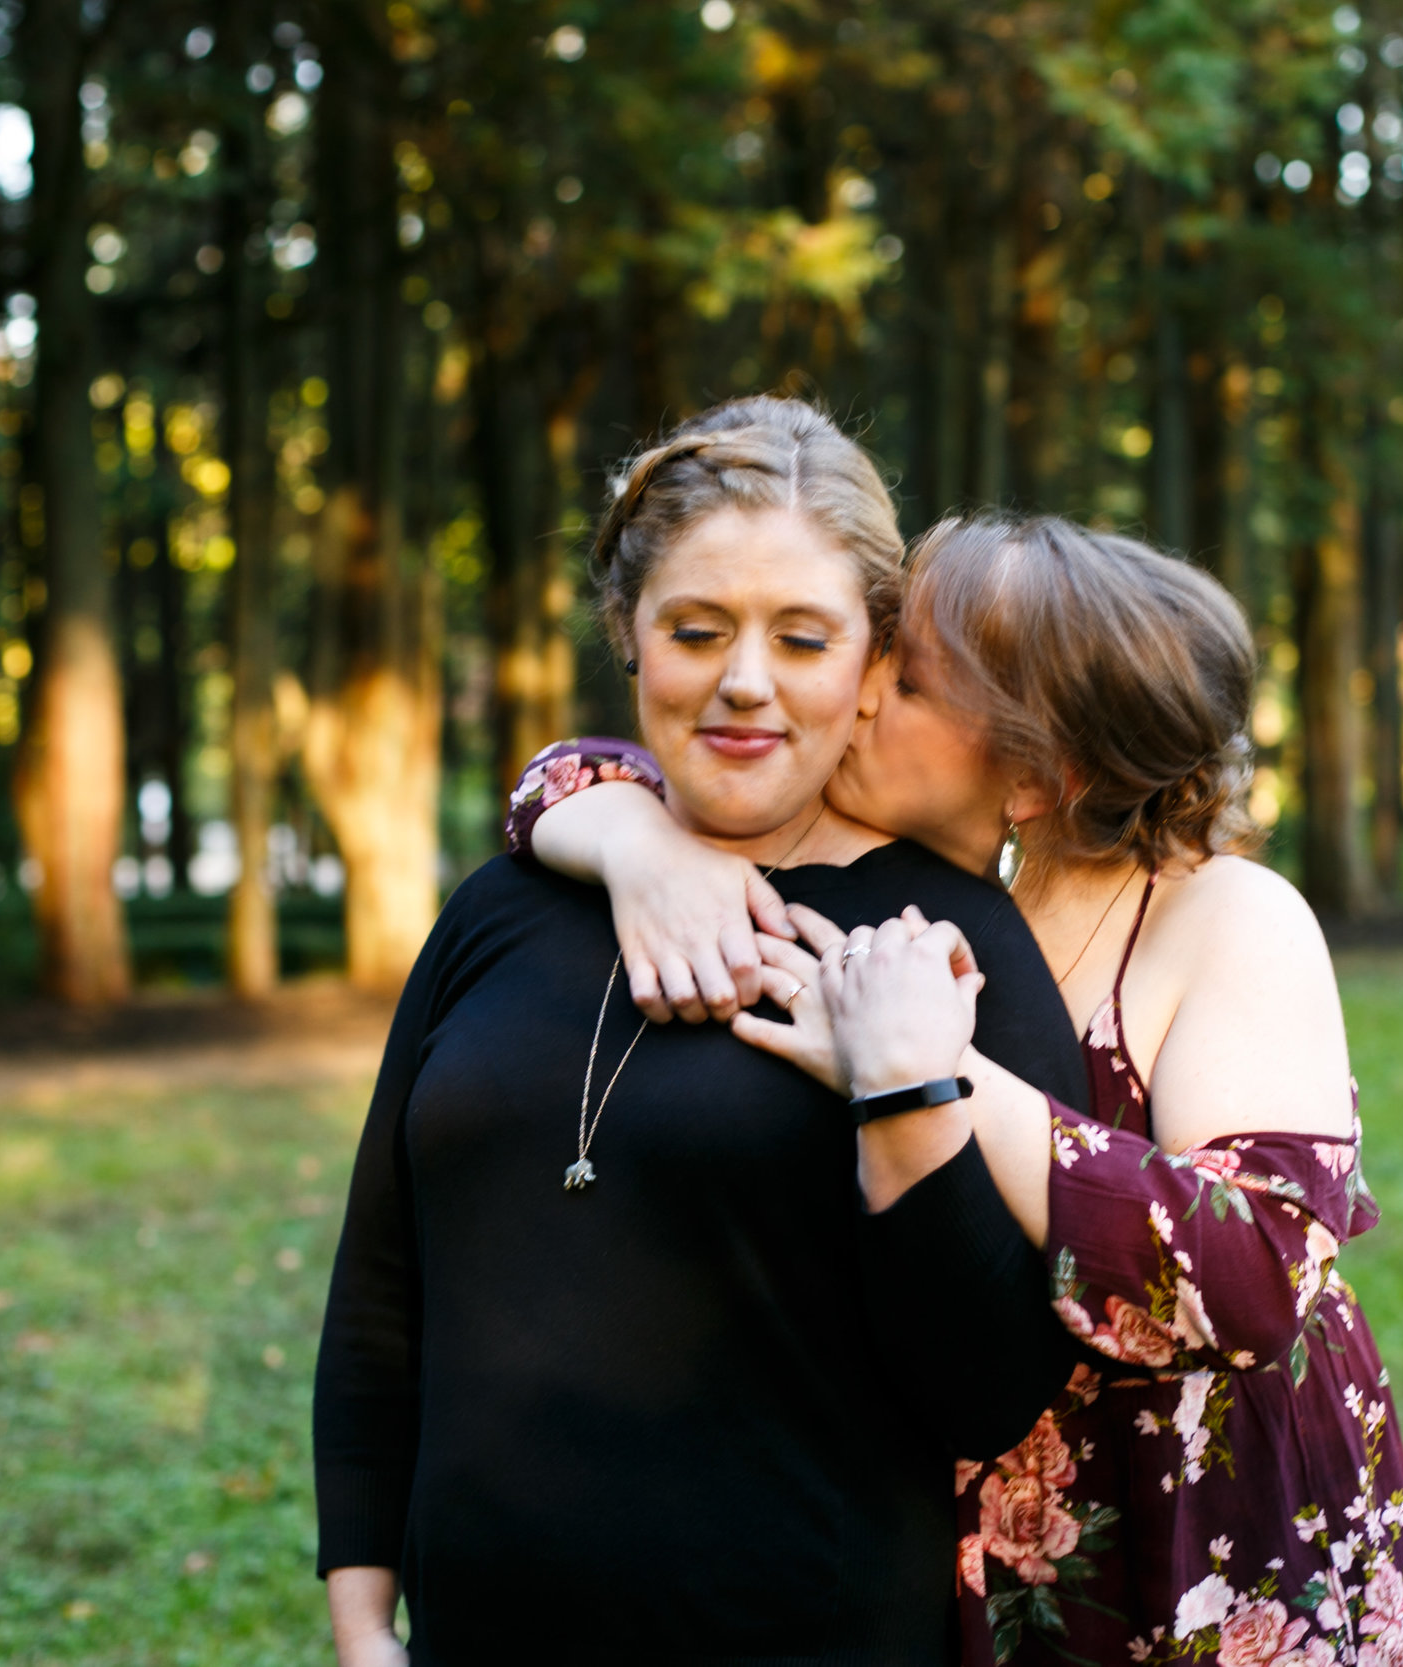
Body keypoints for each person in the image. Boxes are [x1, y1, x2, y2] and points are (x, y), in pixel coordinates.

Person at [511, 516, 1403, 1666]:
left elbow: (1256, 1267)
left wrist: (933, 1068)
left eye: (910, 679)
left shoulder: (1221, 915)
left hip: (1200, 1526)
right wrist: (636, 845)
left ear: (1042, 773)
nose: (855, 691)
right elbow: (574, 766)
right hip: (957, 1515)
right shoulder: (884, 873)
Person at [313, 405, 1089, 1666]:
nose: (744, 680)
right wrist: (361, 1620)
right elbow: (382, 1285)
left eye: (801, 637)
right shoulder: (500, 908)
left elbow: (993, 1388)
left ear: (871, 664)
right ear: (629, 635)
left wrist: (904, 1097)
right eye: (696, 630)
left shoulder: (951, 937)